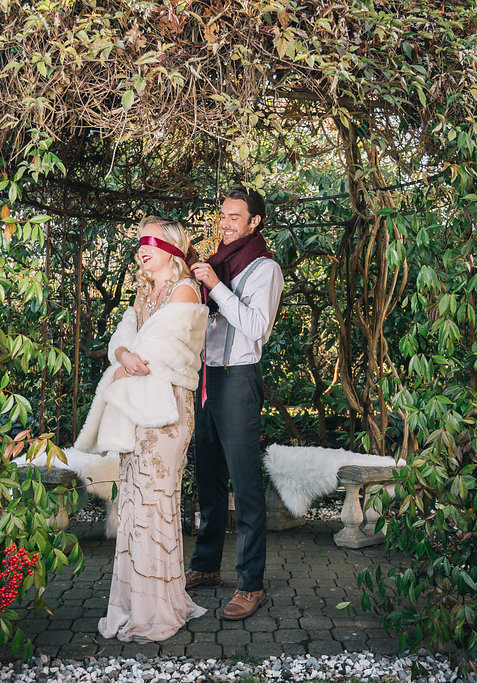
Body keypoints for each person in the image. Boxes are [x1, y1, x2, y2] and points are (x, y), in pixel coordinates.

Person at [77, 216, 209, 643]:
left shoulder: (185, 289)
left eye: (149, 242)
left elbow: (157, 352)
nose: (141, 249)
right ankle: (138, 603)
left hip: (168, 413)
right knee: (134, 502)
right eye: (139, 243)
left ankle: (158, 609)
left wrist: (128, 360)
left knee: (156, 502)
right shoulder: (144, 293)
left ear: (170, 247)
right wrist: (122, 356)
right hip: (140, 411)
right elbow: (124, 341)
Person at [187, 187, 284, 620]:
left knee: (244, 486)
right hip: (205, 378)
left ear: (254, 222)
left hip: (239, 379)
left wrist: (214, 287)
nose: (225, 224)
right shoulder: (217, 263)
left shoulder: (264, 269)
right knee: (207, 477)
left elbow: (256, 327)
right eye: (222, 216)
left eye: (234, 217)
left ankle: (250, 584)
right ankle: (206, 566)